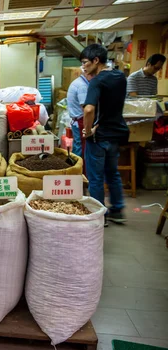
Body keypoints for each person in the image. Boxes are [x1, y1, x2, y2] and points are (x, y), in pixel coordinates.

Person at [81, 44, 130, 226]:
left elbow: (89, 109)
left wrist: (87, 130)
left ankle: (99, 215)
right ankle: (117, 210)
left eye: (86, 62)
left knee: (96, 178)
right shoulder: (120, 77)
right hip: (116, 134)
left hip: (99, 137)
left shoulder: (97, 81)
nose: (84, 67)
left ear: (96, 60)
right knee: (113, 174)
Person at [66, 69, 93, 157]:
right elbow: (86, 109)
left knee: (78, 147)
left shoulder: (78, 82)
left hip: (77, 120)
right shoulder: (82, 86)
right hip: (81, 120)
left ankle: (76, 168)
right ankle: (79, 170)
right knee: (81, 148)